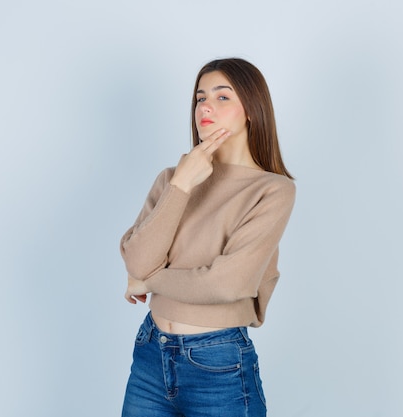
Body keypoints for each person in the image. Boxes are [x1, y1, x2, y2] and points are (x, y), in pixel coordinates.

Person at [119, 57, 295, 417]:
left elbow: (227, 283)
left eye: (222, 96)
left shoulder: (272, 190)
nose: (206, 107)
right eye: (200, 98)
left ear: (251, 109)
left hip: (218, 364)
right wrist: (182, 184)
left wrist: (147, 279)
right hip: (150, 356)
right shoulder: (172, 179)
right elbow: (137, 258)